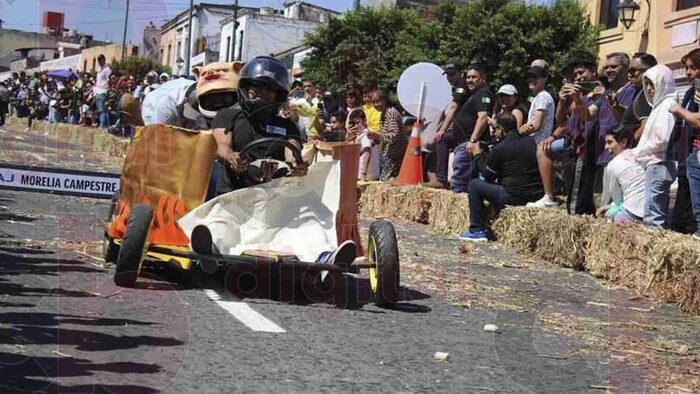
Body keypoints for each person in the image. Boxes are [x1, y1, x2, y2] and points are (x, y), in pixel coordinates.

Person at [210, 56, 308, 194]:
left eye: (269, 88)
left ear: (278, 94)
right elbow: (220, 145)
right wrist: (231, 157)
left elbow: (292, 150)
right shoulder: (227, 116)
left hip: (274, 199)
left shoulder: (287, 126)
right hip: (231, 198)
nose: (262, 91)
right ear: (246, 87)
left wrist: (296, 164)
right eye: (256, 85)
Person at [528, 56, 600, 212]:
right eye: (575, 75)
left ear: (594, 71)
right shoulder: (578, 94)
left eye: (581, 72)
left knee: (577, 200)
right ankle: (549, 196)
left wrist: (577, 99)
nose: (578, 77)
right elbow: (561, 121)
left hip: (586, 147)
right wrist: (562, 101)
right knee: (544, 150)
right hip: (571, 144)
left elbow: (587, 116)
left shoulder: (598, 92)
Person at [458, 113, 543, 241]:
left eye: (494, 129)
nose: (493, 132)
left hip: (514, 196)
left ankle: (477, 230)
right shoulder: (530, 141)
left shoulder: (501, 148)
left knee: (474, 185)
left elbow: (488, 176)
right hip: (535, 195)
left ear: (501, 129)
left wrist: (477, 155)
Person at [624, 64, 678, 228]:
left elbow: (662, 140)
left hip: (659, 163)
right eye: (646, 84)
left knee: (654, 215)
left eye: (652, 84)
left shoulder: (667, 105)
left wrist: (640, 151)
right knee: (653, 210)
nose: (649, 89)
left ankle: (655, 247)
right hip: (654, 163)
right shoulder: (659, 106)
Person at [450, 65, 495, 193]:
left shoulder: (483, 93)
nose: (470, 80)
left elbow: (483, 117)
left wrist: (473, 140)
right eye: (468, 77)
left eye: (474, 77)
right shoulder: (474, 95)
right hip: (463, 144)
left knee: (459, 183)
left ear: (483, 79)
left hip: (469, 144)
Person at [424, 62, 470, 188]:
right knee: (442, 140)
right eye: (448, 75)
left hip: (467, 132)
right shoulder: (457, 87)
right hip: (460, 130)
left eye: (453, 74)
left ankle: (441, 179)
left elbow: (453, 107)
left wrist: (442, 130)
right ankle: (440, 178)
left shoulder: (462, 85)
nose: (450, 78)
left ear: (461, 73)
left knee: (441, 138)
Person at [596, 128, 645, 223]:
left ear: (623, 142)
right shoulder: (639, 153)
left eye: (610, 142)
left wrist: (609, 208)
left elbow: (617, 202)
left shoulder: (613, 165)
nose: (606, 147)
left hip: (633, 213)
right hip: (652, 212)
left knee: (609, 216)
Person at [372, 89, 406, 181]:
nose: (376, 105)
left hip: (394, 154)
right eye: (374, 102)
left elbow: (394, 134)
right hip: (388, 153)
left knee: (386, 180)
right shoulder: (384, 113)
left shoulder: (390, 113)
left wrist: (379, 136)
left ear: (385, 100)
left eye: (378, 101)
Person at [519, 66, 555, 145]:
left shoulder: (542, 97)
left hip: (538, 143)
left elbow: (536, 125)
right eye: (528, 78)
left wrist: (523, 130)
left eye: (535, 77)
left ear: (545, 79)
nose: (530, 80)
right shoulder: (540, 96)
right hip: (536, 143)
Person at [347, 109, 379, 181]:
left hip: (367, 176)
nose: (356, 126)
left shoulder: (366, 134)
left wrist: (363, 174)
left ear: (364, 120)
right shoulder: (360, 134)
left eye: (358, 123)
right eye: (353, 124)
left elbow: (367, 152)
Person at [93, 54, 112, 129]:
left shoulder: (107, 69)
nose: (99, 61)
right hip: (98, 91)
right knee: (99, 109)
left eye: (100, 59)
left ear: (104, 59)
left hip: (103, 91)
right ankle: (101, 123)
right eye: (98, 60)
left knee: (102, 109)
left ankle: (102, 125)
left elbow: (109, 80)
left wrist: (108, 90)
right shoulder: (99, 69)